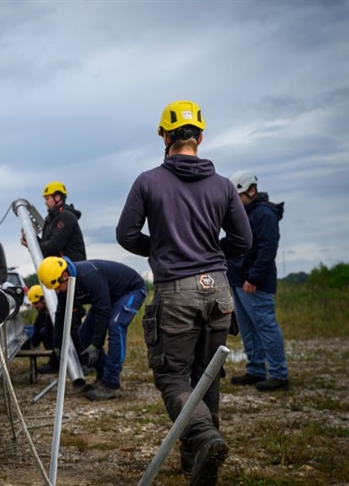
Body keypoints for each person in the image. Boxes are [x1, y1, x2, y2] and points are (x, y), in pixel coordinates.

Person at [115, 100, 252, 485]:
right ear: (201, 137)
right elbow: (243, 239)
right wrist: (208, 256)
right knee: (207, 375)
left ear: (164, 136)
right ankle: (197, 461)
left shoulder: (148, 182)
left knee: (173, 376)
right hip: (219, 291)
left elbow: (125, 235)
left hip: (176, 292)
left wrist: (163, 249)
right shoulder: (224, 186)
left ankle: (205, 438)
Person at [37, 256, 147, 401]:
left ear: (64, 275)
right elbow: (61, 314)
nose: (57, 291)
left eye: (57, 287)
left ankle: (111, 384)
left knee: (116, 326)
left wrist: (96, 345)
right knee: (83, 334)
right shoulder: (66, 283)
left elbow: (104, 311)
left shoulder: (89, 276)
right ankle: (102, 377)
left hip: (130, 291)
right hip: (107, 297)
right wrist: (57, 345)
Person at [227, 171, 289, 391]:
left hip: (254, 282)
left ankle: (279, 373)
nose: (237, 201)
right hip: (238, 280)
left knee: (265, 326)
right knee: (248, 329)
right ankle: (255, 369)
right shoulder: (244, 214)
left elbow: (267, 248)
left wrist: (254, 276)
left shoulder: (264, 214)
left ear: (251, 190)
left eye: (239, 196)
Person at [21, 180, 88, 373]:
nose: (45, 202)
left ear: (58, 197)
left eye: (47, 198)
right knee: (57, 320)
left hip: (71, 276)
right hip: (61, 277)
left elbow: (53, 245)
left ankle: (84, 361)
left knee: (72, 321)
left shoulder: (66, 217)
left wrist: (35, 242)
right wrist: (32, 242)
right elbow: (47, 246)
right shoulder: (52, 219)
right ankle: (58, 360)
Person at [20, 284, 54, 351]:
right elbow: (37, 329)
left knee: (44, 332)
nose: (35, 306)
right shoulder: (43, 312)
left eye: (36, 303)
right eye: (33, 303)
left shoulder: (51, 311)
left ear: (43, 299)